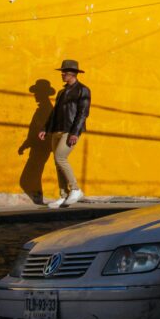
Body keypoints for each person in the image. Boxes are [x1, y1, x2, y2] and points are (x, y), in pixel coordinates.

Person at [37, 59, 91, 208]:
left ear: (73, 73)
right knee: (57, 162)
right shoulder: (62, 92)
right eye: (62, 72)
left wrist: (75, 132)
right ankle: (63, 195)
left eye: (64, 72)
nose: (62, 75)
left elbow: (83, 113)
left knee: (60, 157)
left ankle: (75, 189)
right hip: (57, 130)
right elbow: (54, 113)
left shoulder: (83, 90)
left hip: (70, 131)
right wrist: (45, 129)